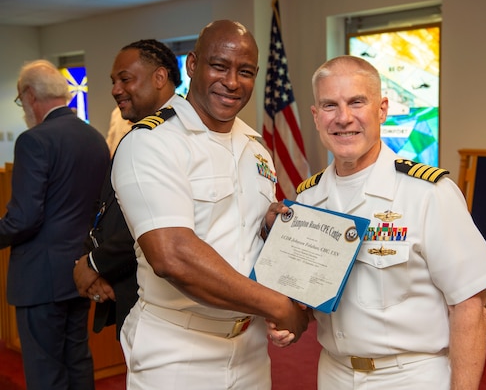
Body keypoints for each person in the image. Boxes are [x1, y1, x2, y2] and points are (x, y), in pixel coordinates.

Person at [278, 55, 486, 389]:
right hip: (333, 372)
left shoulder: (428, 193)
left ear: (382, 109)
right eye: (330, 105)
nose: (343, 118)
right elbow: (312, 296)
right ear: (315, 116)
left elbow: (469, 305)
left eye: (357, 102)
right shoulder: (309, 198)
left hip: (410, 376)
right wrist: (287, 318)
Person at [111, 20, 309, 389]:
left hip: (249, 347)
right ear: (192, 65)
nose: (232, 82)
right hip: (177, 351)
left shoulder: (255, 147)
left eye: (245, 71)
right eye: (219, 66)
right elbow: (174, 257)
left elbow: (245, 237)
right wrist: (279, 306)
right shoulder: (152, 143)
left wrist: (269, 227)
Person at [0, 59, 110, 390]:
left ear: (31, 95)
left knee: (46, 371)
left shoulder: (34, 140)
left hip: (39, 278)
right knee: (77, 360)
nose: (24, 110)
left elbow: (24, 219)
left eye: (22, 101)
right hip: (80, 271)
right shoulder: (94, 138)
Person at [73, 39, 182, 340]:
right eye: (113, 81)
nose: (115, 89)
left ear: (160, 78)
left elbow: (151, 221)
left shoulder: (178, 134)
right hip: (124, 291)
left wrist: (94, 264)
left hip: (161, 304)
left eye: (125, 79)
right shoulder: (139, 132)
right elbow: (105, 207)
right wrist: (87, 261)